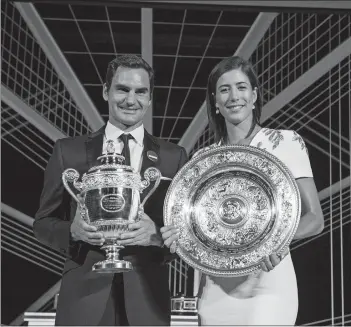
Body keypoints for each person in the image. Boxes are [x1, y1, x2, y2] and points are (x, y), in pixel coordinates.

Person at [161, 56, 324, 325]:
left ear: (254, 95)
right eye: (224, 90)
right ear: (214, 101)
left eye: (241, 87)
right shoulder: (204, 159)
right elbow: (194, 227)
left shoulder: (285, 142)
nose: (234, 96)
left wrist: (278, 242)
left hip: (268, 287)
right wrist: (177, 234)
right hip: (213, 291)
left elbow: (315, 219)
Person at [34, 54, 188, 326]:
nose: (131, 100)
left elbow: (186, 233)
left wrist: (157, 237)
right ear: (106, 91)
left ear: (150, 98)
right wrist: (72, 231)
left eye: (141, 92)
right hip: (84, 299)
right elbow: (43, 224)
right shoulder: (68, 152)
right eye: (123, 89)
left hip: (147, 302)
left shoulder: (173, 157)